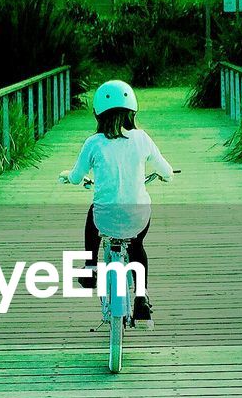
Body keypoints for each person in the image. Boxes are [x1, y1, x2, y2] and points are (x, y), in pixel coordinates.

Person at [59, 80, 173, 324]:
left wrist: (68, 178)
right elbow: (166, 169)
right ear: (132, 111)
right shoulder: (142, 139)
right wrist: (165, 175)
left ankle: (90, 268)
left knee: (93, 214)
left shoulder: (93, 143)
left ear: (97, 113)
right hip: (137, 217)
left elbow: (77, 176)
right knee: (137, 246)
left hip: (105, 219)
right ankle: (141, 297)